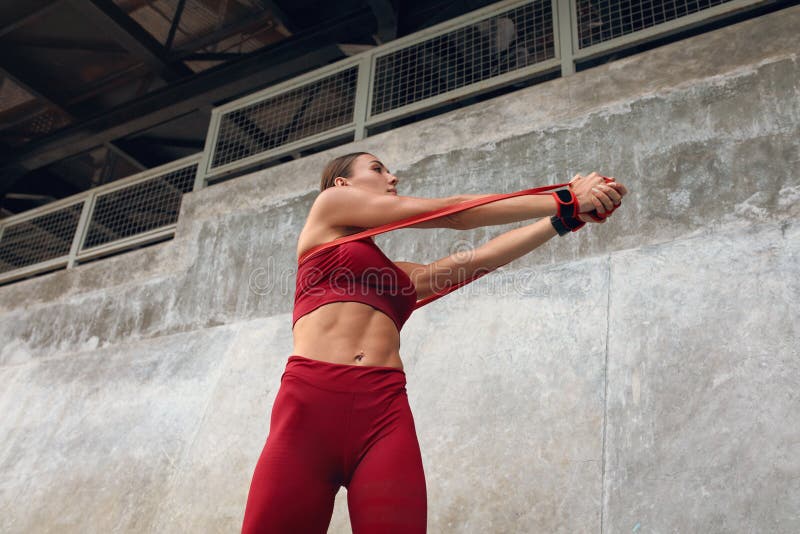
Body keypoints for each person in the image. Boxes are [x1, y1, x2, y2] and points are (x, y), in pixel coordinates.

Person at [241, 152, 627, 533]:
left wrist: (564, 218)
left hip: (384, 410)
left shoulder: (397, 276)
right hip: (309, 406)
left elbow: (480, 258)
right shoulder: (329, 206)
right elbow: (453, 212)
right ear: (343, 183)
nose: (392, 178)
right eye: (378, 169)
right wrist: (568, 196)